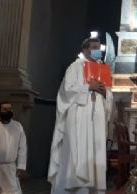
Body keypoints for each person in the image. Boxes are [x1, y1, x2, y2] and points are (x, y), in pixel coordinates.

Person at [48, 37, 113, 194]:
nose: (97, 50)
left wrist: (106, 93)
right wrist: (87, 87)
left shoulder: (103, 68)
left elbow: (109, 94)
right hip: (79, 115)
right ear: (85, 49)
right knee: (76, 149)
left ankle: (93, 189)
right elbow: (65, 91)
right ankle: (72, 186)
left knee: (95, 149)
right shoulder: (75, 67)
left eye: (99, 47)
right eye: (94, 47)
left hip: (96, 117)